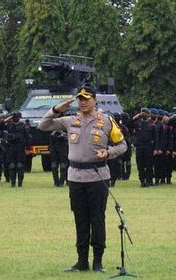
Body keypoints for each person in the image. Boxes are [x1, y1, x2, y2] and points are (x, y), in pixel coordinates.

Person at [37, 86, 127, 273]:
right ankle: (82, 261)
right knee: (81, 219)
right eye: (80, 99)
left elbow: (123, 145)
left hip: (97, 176)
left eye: (87, 98)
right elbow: (43, 125)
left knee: (97, 219)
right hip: (76, 177)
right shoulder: (71, 120)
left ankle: (98, 262)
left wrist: (108, 152)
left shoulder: (107, 121)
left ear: (95, 100)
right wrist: (56, 109)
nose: (83, 102)